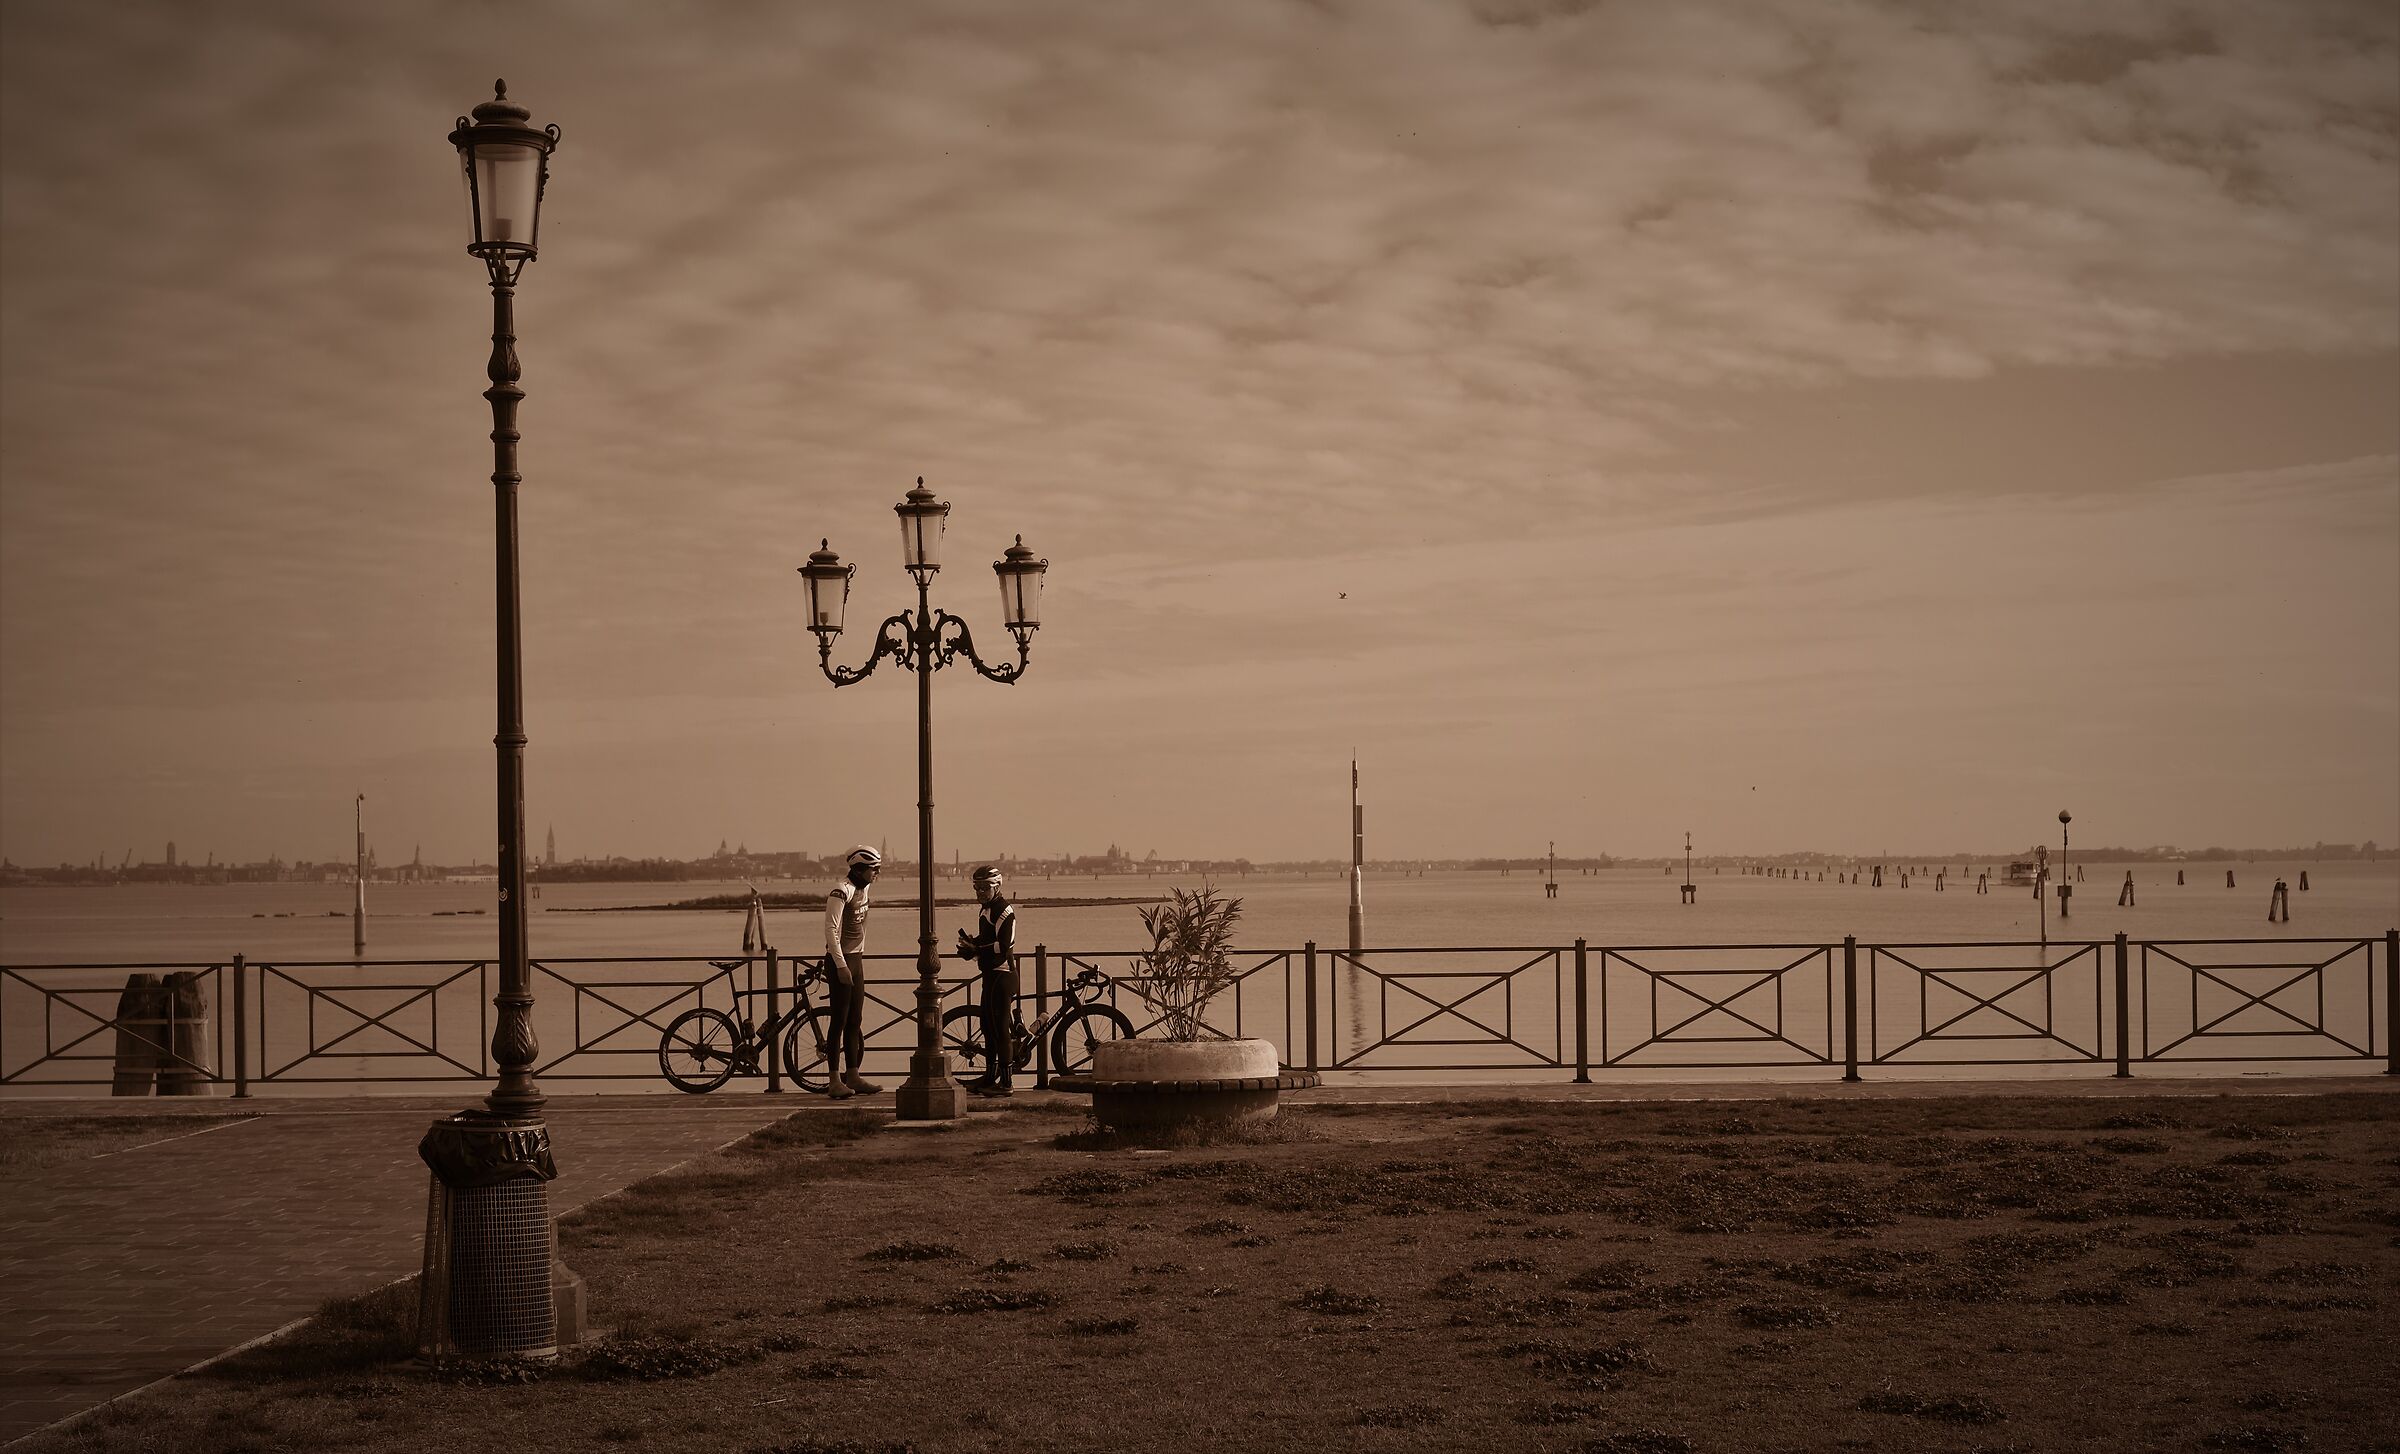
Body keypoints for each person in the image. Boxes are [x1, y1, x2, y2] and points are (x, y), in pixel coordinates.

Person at [820, 845, 883, 1099]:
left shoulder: (865, 888)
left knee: (856, 1020)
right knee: (839, 1020)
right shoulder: (841, 891)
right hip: (841, 961)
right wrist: (841, 965)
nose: (877, 873)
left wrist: (860, 953)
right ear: (858, 869)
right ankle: (834, 1080)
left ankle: (853, 1075)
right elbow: (831, 930)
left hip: (857, 959)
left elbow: (862, 923)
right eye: (873, 869)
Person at [953, 864, 1018, 1096]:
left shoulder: (1004, 911)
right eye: (976, 888)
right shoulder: (985, 910)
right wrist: (972, 944)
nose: (980, 892)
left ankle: (1007, 1083)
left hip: (1003, 974)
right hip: (991, 974)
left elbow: (1004, 945)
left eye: (984, 888)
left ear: (997, 887)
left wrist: (978, 948)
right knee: (987, 1028)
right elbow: (987, 937)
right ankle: (990, 1078)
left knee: (1000, 1029)